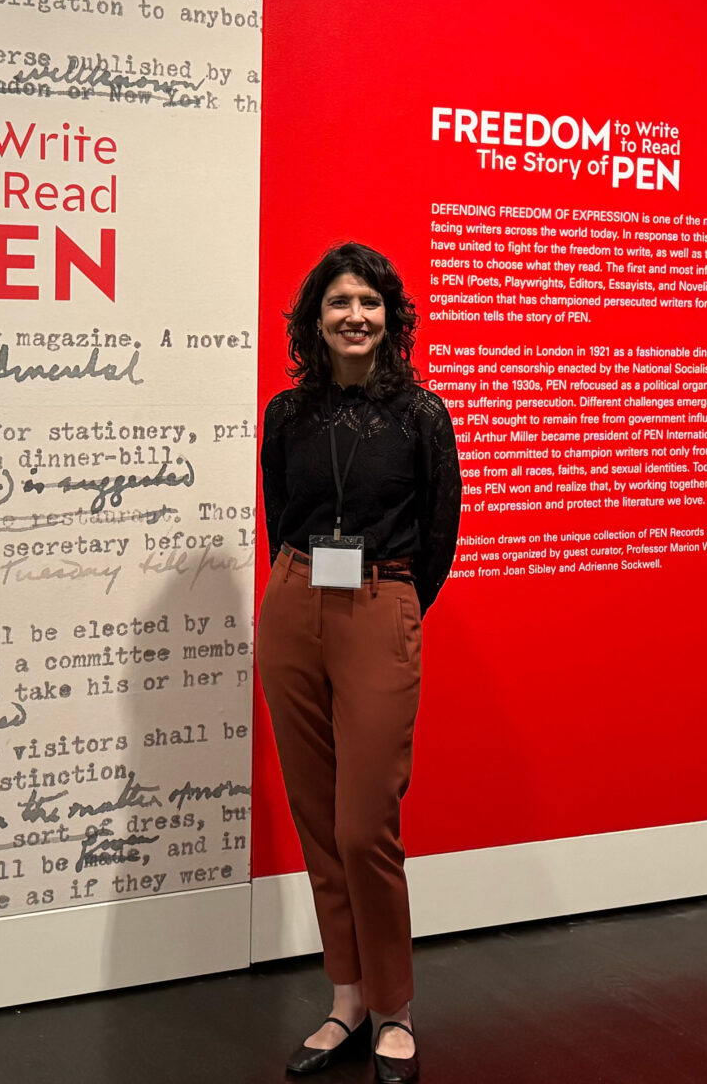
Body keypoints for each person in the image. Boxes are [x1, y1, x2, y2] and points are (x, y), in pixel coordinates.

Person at [259, 242, 461, 1082]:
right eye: (340, 302)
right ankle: (346, 998)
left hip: (381, 603)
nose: (355, 316)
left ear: (391, 317)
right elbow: (279, 512)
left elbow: (441, 533)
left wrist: (393, 610)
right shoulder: (286, 414)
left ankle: (393, 1006)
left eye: (370, 303)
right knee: (318, 820)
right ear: (316, 319)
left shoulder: (421, 415)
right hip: (293, 604)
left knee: (363, 825)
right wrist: (298, 590)